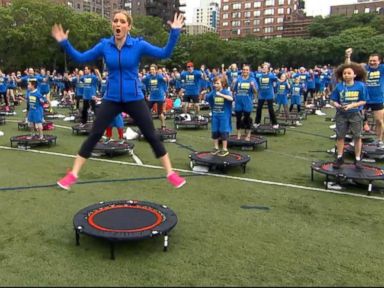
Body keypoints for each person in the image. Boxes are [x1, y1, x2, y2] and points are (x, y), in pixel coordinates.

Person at [52, 10, 186, 190]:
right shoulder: (105, 46)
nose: (118, 24)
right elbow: (81, 57)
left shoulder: (138, 45)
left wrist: (175, 32)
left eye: (122, 21)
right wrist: (65, 43)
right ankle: (73, 174)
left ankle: (170, 172)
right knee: (95, 134)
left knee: (151, 135)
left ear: (128, 26)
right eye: (115, 21)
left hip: (134, 98)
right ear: (112, 25)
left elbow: (164, 53)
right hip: (112, 98)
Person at [330, 53, 367, 169]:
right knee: (340, 136)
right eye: (344, 73)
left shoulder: (360, 86)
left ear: (355, 75)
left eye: (349, 73)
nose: (346, 75)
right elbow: (332, 100)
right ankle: (340, 157)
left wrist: (352, 105)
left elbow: (364, 101)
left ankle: (357, 159)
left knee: (357, 136)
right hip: (341, 114)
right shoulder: (339, 86)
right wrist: (337, 105)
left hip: (355, 114)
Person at [203, 76, 233, 157]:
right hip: (215, 115)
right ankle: (216, 147)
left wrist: (221, 95)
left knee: (223, 132)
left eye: (217, 83)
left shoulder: (226, 92)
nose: (215, 85)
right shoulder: (213, 92)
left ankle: (224, 149)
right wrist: (204, 94)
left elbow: (231, 98)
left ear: (222, 84)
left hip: (224, 116)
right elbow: (207, 98)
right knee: (215, 131)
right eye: (214, 83)